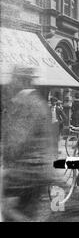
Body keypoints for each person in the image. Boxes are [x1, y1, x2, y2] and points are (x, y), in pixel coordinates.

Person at [1, 67, 56, 221]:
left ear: (21, 80)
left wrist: (7, 159)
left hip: (26, 171)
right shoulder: (38, 101)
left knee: (7, 209)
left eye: (14, 79)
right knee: (27, 211)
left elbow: (19, 139)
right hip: (38, 169)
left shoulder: (25, 103)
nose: (11, 83)